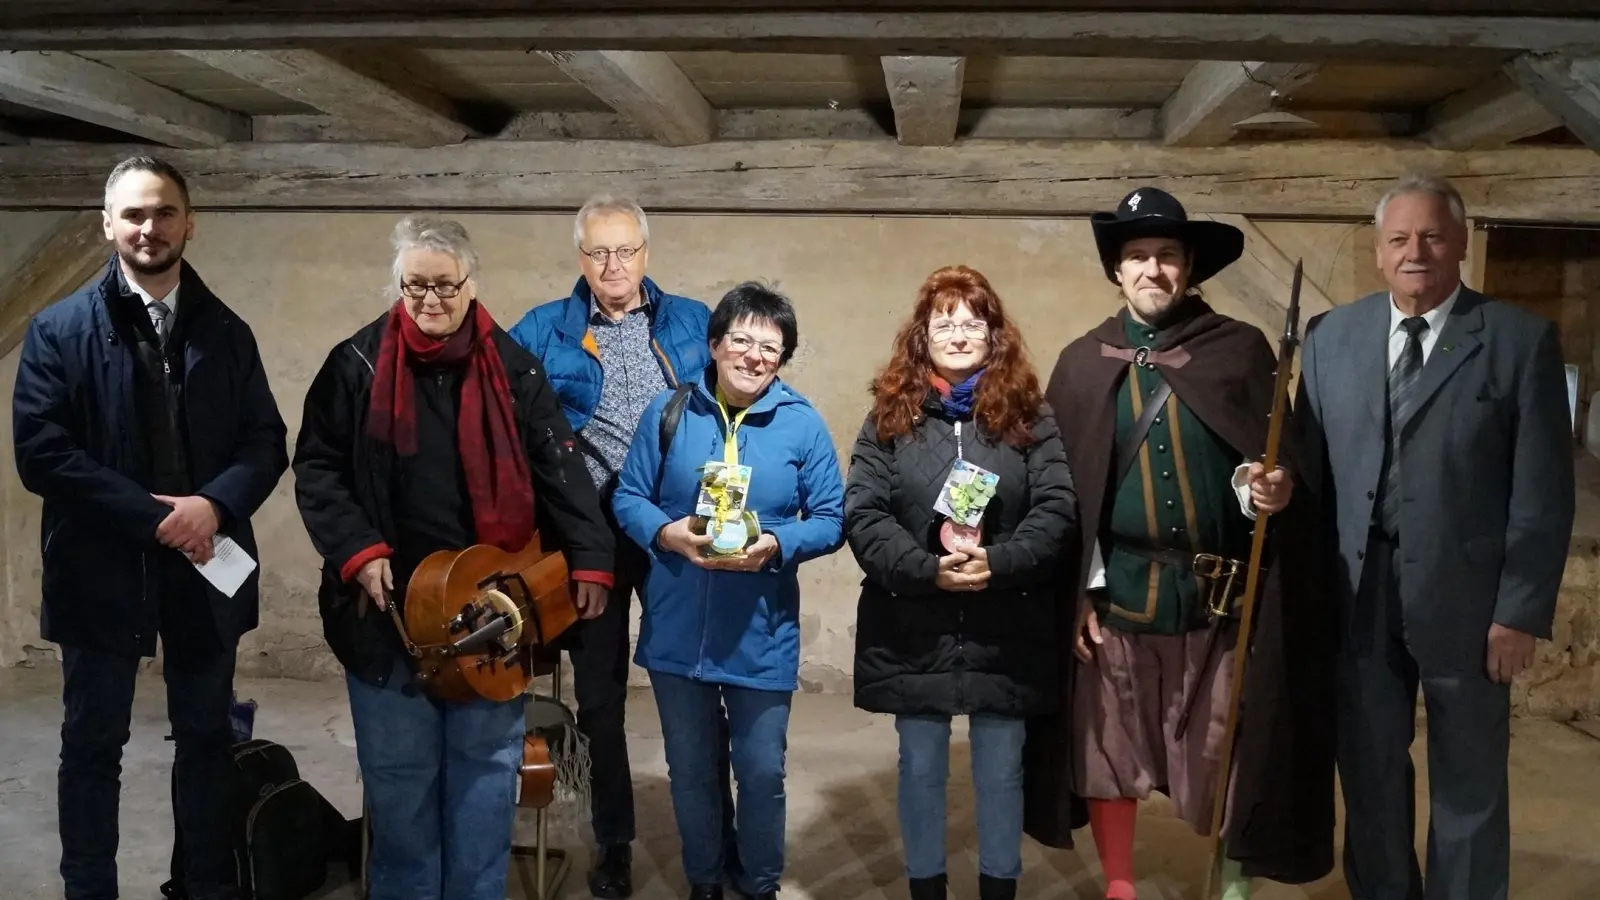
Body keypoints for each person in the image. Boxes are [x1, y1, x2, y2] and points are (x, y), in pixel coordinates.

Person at [1023, 187, 1337, 900]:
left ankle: (1230, 892)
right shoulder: (1081, 363)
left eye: (1167, 256)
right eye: (1138, 257)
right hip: (1119, 597)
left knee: (1228, 755)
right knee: (1107, 751)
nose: (1153, 270)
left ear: (1189, 267)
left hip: (1219, 603)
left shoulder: (1239, 352)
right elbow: (1066, 497)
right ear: (1117, 271)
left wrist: (1273, 493)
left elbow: (1278, 464)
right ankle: (1122, 887)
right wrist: (1079, 592)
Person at [291, 215, 616, 900]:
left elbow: (561, 466)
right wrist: (358, 550)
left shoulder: (513, 368)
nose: (431, 300)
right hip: (387, 617)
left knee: (484, 777)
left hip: (488, 616)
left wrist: (589, 558)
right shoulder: (357, 364)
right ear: (398, 286)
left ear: (471, 283)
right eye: (415, 286)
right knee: (401, 783)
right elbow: (318, 468)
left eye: (444, 285)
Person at [12, 156, 289, 900]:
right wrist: (160, 519)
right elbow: (43, 454)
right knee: (92, 745)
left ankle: (203, 885)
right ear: (107, 227)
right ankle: (88, 889)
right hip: (99, 573)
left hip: (205, 568)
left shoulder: (227, 332)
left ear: (189, 224)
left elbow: (265, 441)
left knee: (205, 742)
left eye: (164, 212)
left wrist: (215, 508)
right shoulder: (58, 330)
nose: (149, 227)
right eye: (133, 214)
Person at [1296, 174, 1574, 900]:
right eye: (1398, 239)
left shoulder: (1519, 341)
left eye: (1431, 236)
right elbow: (1306, 467)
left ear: (1460, 243)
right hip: (1360, 598)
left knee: (1470, 780)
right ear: (1378, 252)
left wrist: (1518, 611)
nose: (1415, 250)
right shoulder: (1332, 338)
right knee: (1371, 771)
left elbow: (1543, 492)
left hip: (1472, 603)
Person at [507, 195, 717, 897]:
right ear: (580, 259)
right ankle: (614, 839)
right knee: (599, 700)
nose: (613, 265)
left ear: (646, 254)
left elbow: (731, 412)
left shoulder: (691, 322)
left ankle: (713, 841)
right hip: (586, 536)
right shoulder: (543, 329)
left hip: (669, 530)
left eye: (626, 250)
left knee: (689, 687)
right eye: (598, 252)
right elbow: (502, 424)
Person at [846, 266, 1076, 900]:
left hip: (1007, 624)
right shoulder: (889, 418)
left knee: (1002, 769)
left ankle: (999, 887)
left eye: (972, 321)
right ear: (922, 335)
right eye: (943, 321)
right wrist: (927, 570)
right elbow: (863, 513)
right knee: (920, 766)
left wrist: (997, 563)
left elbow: (1055, 507)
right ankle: (927, 887)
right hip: (912, 623)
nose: (957, 333)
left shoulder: (1030, 416)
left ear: (993, 334)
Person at [611, 282, 845, 900]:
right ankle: (705, 879)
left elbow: (830, 517)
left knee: (762, 770)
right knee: (691, 771)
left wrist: (776, 544)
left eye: (770, 346)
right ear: (714, 345)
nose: (753, 355)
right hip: (677, 624)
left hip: (761, 630)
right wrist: (665, 533)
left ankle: (760, 881)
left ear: (783, 357)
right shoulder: (668, 411)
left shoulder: (802, 425)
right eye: (740, 339)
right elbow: (627, 496)